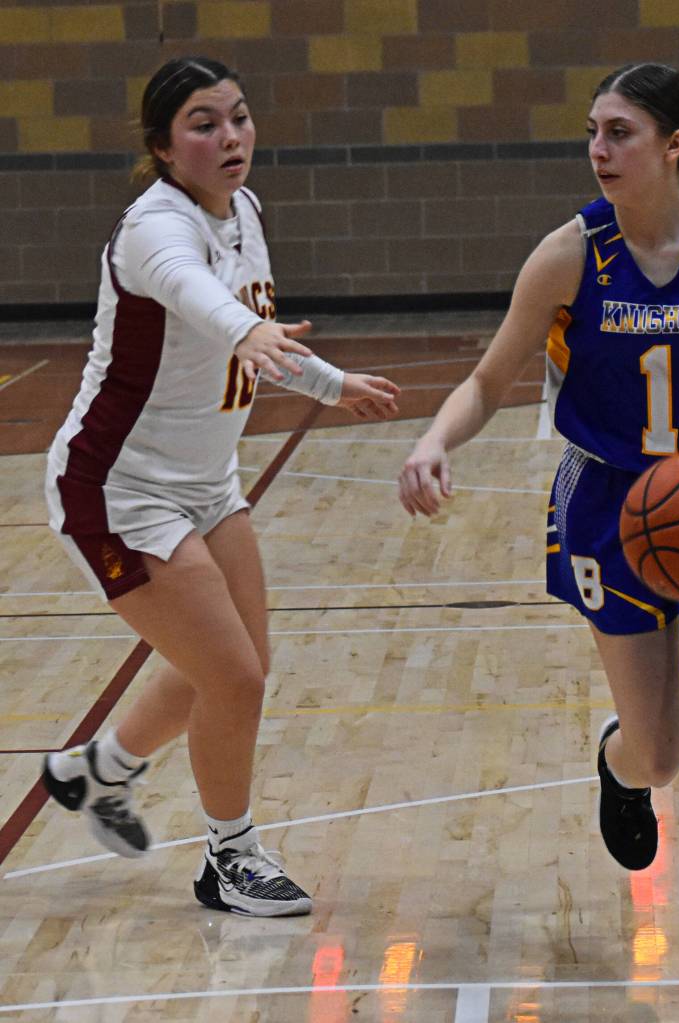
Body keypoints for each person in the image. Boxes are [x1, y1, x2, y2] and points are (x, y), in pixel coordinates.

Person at [398, 63, 679, 1006]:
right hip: (604, 505)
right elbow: (489, 379)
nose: (597, 149)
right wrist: (433, 436)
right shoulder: (567, 254)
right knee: (659, 753)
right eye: (592, 130)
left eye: (619, 131)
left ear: (675, 146)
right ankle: (615, 761)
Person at [42, 56, 400, 918]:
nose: (230, 136)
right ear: (164, 149)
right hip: (116, 488)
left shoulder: (242, 209)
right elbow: (197, 296)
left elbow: (253, 332)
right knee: (232, 675)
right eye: (204, 124)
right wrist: (247, 331)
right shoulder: (150, 229)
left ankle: (97, 771)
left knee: (236, 668)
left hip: (206, 482)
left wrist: (329, 381)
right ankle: (229, 856)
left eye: (238, 117)